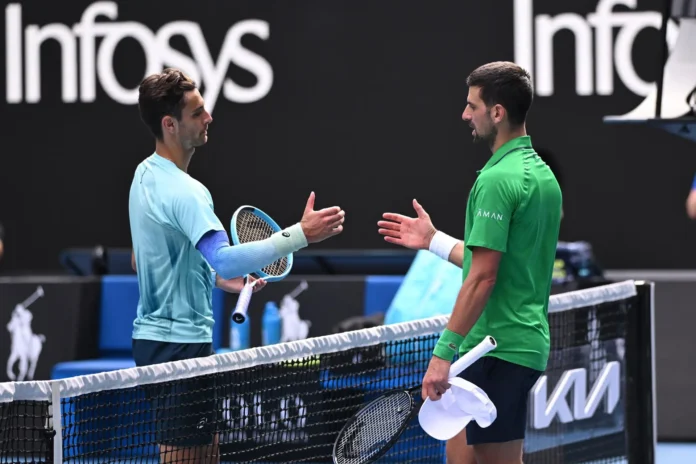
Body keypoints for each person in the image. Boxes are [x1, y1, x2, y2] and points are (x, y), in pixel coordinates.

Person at [130, 68, 345, 464]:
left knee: (208, 455)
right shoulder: (187, 192)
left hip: (159, 342)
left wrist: (214, 279)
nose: (208, 117)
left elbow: (143, 258)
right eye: (197, 113)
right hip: (180, 349)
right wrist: (300, 234)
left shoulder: (144, 176)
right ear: (170, 124)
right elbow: (225, 257)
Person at [377, 61, 562, 464]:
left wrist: (443, 353)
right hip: (513, 347)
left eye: (472, 106)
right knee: (461, 458)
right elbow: (498, 261)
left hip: (495, 350)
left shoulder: (496, 181)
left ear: (497, 112)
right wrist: (434, 241)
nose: (464, 114)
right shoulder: (542, 176)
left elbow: (482, 278)